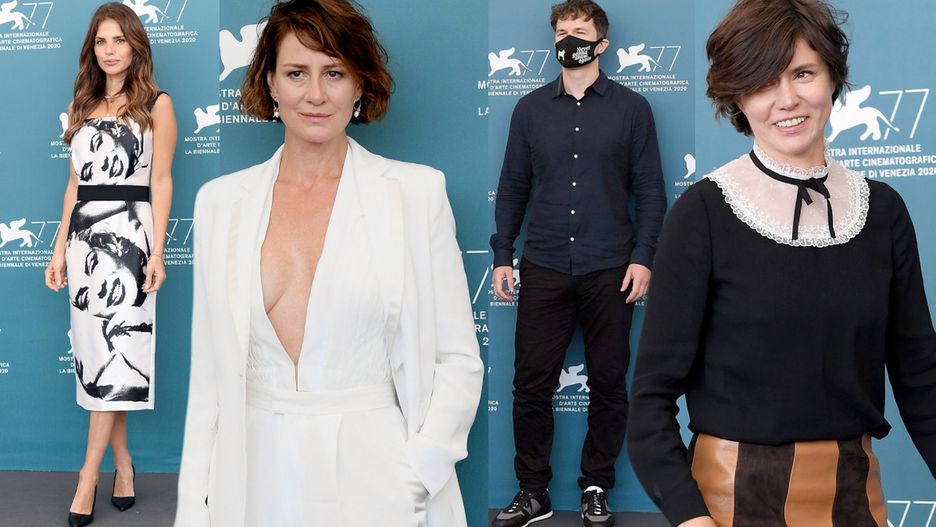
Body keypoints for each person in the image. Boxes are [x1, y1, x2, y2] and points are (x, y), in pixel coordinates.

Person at [173, 1, 483, 526]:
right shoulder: (221, 203)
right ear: (270, 83)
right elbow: (209, 382)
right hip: (252, 480)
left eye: (334, 73)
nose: (315, 94)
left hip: (377, 478)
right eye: (296, 73)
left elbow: (458, 360)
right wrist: (193, 510)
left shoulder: (415, 193)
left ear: (359, 84)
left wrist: (415, 474)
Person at [627, 1, 936, 526]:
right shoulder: (703, 213)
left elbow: (921, 376)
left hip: (856, 496)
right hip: (731, 501)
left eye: (803, 74)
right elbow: (651, 396)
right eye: (763, 82)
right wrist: (691, 518)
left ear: (832, 78)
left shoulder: (883, 211)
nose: (787, 99)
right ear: (737, 96)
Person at [490, 1, 666, 525]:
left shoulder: (632, 109)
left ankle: (595, 486)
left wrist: (643, 257)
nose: (569, 39)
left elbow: (650, 190)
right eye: (562, 31)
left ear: (601, 44)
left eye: (580, 31)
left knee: (609, 384)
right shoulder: (529, 110)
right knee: (530, 386)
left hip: (610, 266)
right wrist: (503, 254)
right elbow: (513, 186)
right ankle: (533, 491)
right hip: (543, 263)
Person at [44, 2, 176, 526]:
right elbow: (74, 185)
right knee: (100, 354)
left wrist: (158, 251)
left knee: (120, 350)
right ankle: (123, 465)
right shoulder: (83, 104)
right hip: (84, 241)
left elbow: (160, 180)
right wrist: (58, 248)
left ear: (135, 45)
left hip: (131, 240)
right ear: (92, 50)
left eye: (119, 40)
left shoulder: (157, 104)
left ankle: (87, 477)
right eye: (101, 41)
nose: (109, 50)